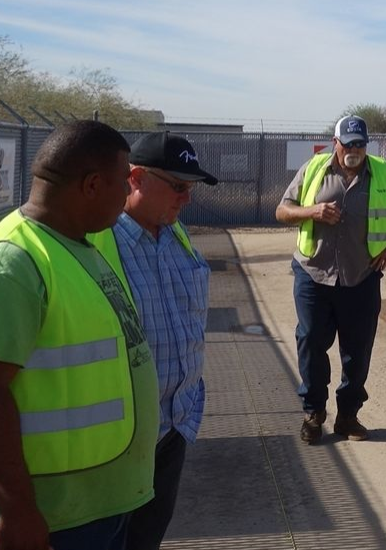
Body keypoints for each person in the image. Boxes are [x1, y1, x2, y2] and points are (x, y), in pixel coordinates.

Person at [0, 121, 158, 550]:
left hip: (99, 504)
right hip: (57, 517)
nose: (127, 195)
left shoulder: (78, 244)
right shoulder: (16, 263)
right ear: (91, 185)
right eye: (123, 182)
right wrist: (16, 508)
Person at [87, 132, 217, 550]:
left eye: (190, 187)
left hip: (173, 428)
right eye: (178, 186)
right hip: (117, 441)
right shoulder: (96, 244)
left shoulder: (176, 234)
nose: (187, 198)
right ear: (137, 178)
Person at [275, 115, 386, 444]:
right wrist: (312, 212)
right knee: (311, 341)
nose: (354, 150)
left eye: (360, 144)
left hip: (361, 277)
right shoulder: (314, 169)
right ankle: (314, 413)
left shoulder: (383, 173)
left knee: (357, 351)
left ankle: (348, 416)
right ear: (335, 144)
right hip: (313, 274)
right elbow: (282, 210)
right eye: (348, 144)